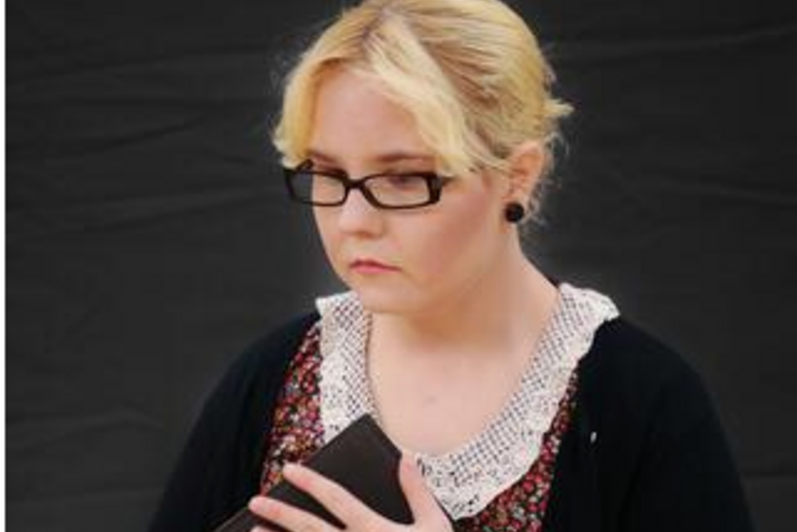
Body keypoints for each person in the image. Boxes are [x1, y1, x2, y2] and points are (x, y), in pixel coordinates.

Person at [148, 1, 755, 531]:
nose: (353, 220)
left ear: (517, 176)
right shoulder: (273, 380)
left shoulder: (641, 401)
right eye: (329, 174)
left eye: (404, 177)